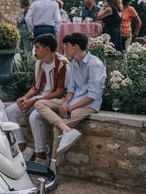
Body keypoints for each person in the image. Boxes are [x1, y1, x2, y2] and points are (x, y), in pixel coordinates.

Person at [35, 32, 106, 164]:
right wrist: (66, 102)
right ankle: (68, 130)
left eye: (67, 46)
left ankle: (54, 168)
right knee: (39, 104)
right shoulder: (74, 63)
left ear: (76, 47)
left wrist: (70, 107)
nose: (64, 49)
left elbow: (92, 95)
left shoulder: (94, 64)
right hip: (72, 101)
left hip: (88, 105)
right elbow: (71, 88)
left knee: (57, 128)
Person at [4, 34, 70, 167]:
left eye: (37, 47)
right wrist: (25, 97)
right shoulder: (39, 62)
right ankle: (23, 149)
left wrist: (34, 101)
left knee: (34, 117)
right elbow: (35, 87)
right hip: (38, 98)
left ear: (47, 49)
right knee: (10, 111)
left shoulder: (62, 64)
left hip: (54, 100)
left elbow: (59, 91)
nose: (35, 50)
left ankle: (42, 155)